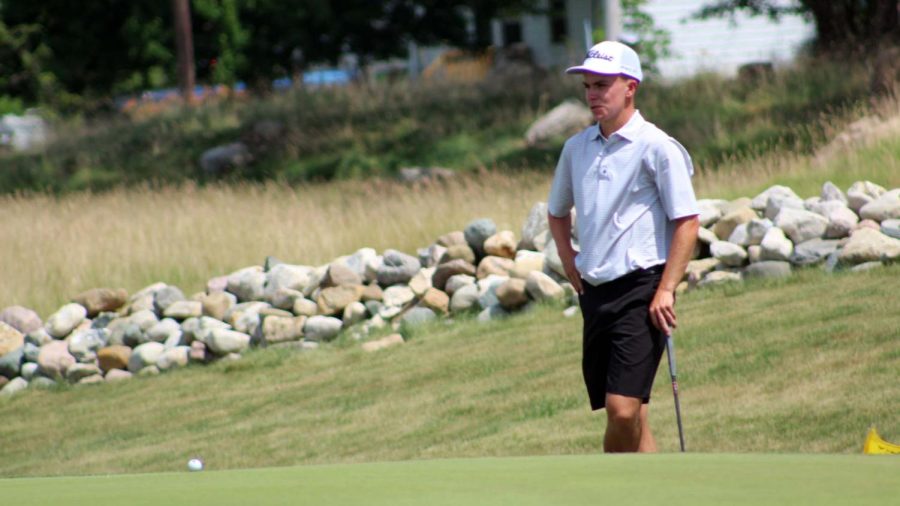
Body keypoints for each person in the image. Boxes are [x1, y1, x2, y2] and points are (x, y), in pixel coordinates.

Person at [547, 41, 700, 453]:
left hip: (642, 288)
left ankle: (608, 491)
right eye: (588, 87)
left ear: (630, 87)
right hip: (595, 291)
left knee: (623, 409)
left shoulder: (657, 147)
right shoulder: (576, 149)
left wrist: (665, 289)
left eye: (603, 85)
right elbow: (557, 212)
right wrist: (568, 259)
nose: (593, 94)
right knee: (636, 411)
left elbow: (687, 222)